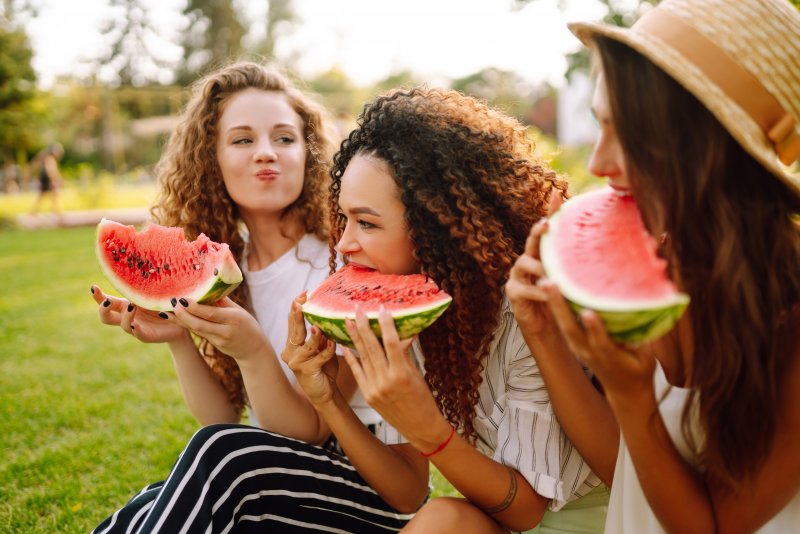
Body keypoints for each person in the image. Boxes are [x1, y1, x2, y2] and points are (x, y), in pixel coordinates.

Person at [92, 61, 428, 534]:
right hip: (268, 475)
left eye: (285, 138)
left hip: (368, 485)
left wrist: (252, 351)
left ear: (309, 155)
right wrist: (178, 339)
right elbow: (222, 417)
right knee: (157, 495)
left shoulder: (345, 266)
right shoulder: (228, 270)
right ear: (211, 159)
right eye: (243, 139)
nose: (266, 153)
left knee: (220, 457)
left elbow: (307, 433)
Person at [506, 0, 800, 532]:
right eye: (600, 124)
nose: (597, 163)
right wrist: (544, 335)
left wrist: (630, 394)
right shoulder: (664, 262)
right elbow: (628, 469)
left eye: (631, 135)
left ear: (710, 145)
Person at [325, 86, 607, 533]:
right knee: (439, 515)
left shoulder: (522, 316)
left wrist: (429, 430)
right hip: (505, 522)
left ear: (436, 227)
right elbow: (406, 493)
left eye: (367, 223)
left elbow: (528, 511)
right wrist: (330, 400)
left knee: (443, 518)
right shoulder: (412, 316)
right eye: (343, 219)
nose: (344, 244)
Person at [30, 142, 64, 218]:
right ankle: (58, 212)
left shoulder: (46, 157)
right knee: (53, 194)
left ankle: (56, 211)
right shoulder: (50, 159)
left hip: (45, 178)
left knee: (48, 195)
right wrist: (54, 179)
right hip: (47, 179)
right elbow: (51, 170)